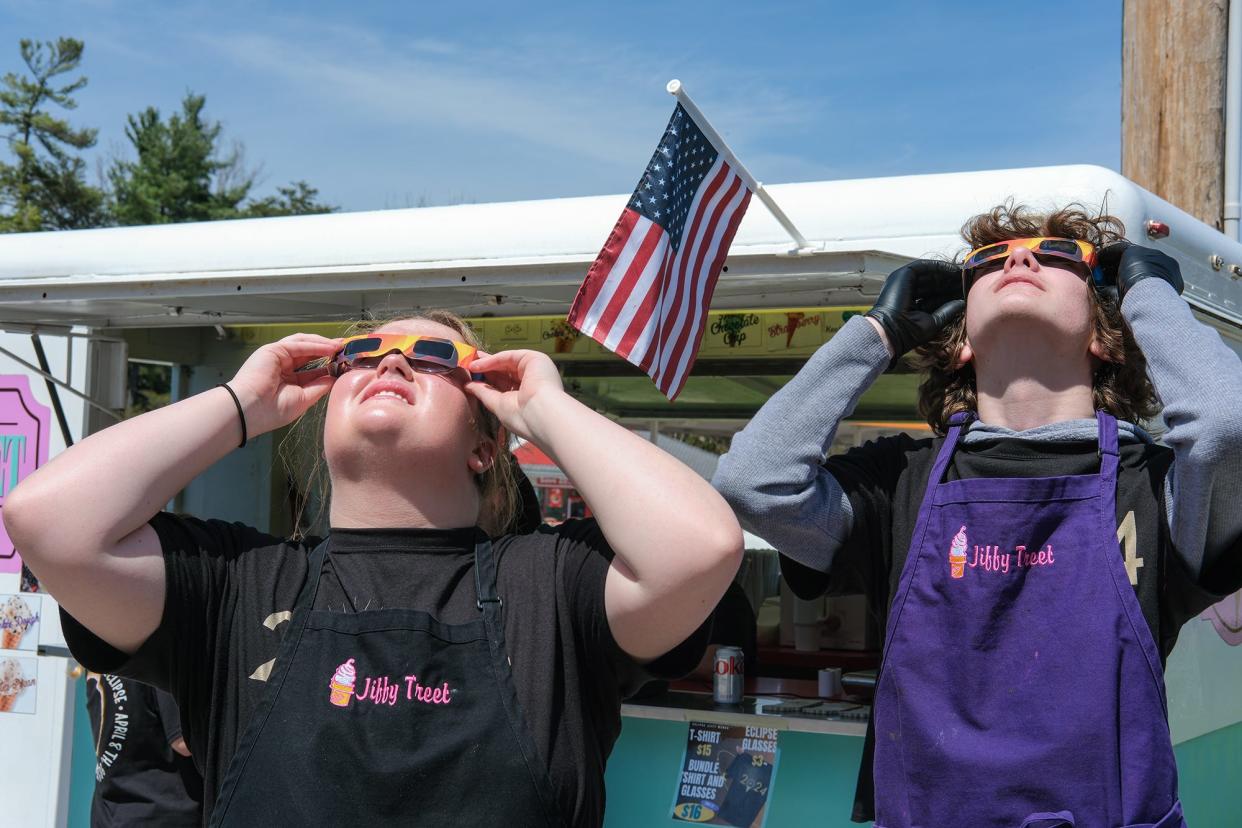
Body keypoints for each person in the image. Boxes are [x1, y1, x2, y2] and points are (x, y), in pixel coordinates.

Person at [6, 309, 743, 827]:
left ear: (486, 445)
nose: (390, 360)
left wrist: (548, 409)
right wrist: (241, 403)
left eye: (434, 357)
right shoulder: (238, 585)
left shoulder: (550, 584)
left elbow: (701, 546)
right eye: (361, 353)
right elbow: (51, 521)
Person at [713, 203, 1242, 827]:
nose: (1019, 257)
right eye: (990, 261)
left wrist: (1149, 291)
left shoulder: (1152, 483)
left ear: (1105, 334)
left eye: (1055, 255)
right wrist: (876, 333)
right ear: (960, 340)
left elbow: (1226, 425)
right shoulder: (899, 479)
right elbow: (753, 483)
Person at [85, 673, 203, 826]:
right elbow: (184, 742)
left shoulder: (95, 658)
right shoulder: (154, 656)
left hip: (112, 815)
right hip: (164, 813)